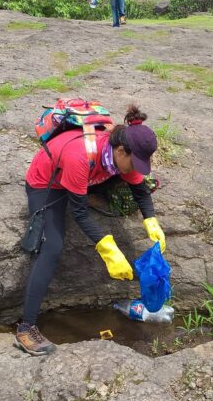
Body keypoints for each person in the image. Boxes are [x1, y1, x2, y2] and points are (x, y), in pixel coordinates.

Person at [15, 105, 165, 356]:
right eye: (134, 162)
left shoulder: (118, 155)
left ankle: (89, 190)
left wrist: (151, 220)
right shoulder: (80, 155)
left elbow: (140, 190)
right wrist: (108, 249)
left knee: (135, 186)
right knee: (52, 246)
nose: (136, 168)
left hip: (86, 177)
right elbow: (79, 213)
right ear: (120, 151)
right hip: (48, 183)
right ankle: (25, 328)